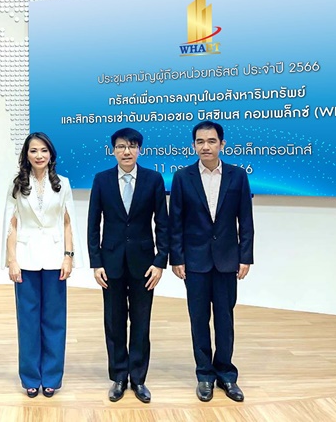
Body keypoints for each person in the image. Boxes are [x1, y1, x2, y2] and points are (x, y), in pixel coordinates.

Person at [169, 121, 254, 403]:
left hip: (228, 260)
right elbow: (175, 221)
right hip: (194, 261)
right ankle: (204, 374)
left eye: (211, 141)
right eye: (200, 141)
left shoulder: (237, 176)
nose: (205, 146)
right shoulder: (182, 177)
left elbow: (246, 219)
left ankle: (226, 374)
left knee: (225, 319)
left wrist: (245, 256)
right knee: (199, 319)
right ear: (194, 145)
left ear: (222, 144)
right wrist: (177, 257)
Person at [87, 127, 169, 404]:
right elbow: (93, 223)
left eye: (132, 146)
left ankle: (139, 378)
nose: (126, 151)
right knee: (114, 321)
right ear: (113, 150)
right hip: (110, 263)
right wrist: (96, 261)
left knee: (141, 321)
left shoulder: (153, 179)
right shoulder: (101, 180)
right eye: (121, 146)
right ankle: (119, 377)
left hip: (144, 265)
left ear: (139, 150)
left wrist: (160, 261)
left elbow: (163, 223)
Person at [2, 132, 84, 398]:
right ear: (26, 155)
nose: (39, 155)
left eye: (44, 151)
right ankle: (30, 377)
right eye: (34, 151)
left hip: (55, 258)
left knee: (54, 320)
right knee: (27, 321)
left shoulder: (63, 183)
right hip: (25, 258)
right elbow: (11, 223)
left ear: (51, 154)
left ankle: (51, 376)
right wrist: (12, 260)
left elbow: (68, 222)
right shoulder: (16, 183)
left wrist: (69, 256)